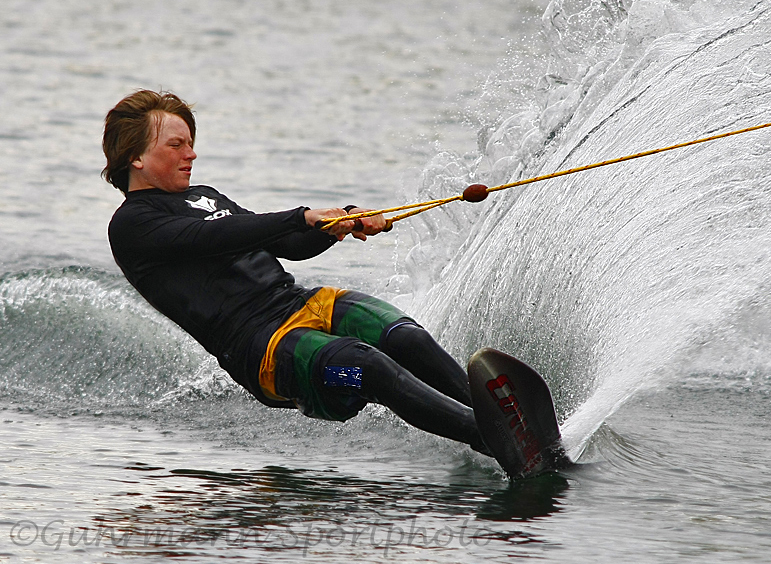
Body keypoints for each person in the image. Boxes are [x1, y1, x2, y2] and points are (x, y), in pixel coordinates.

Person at [102, 89, 490, 455]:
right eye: (177, 145)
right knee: (368, 367)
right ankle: (490, 437)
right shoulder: (132, 224)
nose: (192, 154)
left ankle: (502, 419)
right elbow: (214, 236)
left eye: (190, 142)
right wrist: (302, 216)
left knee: (406, 338)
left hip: (302, 304)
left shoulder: (204, 195)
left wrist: (343, 223)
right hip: (265, 350)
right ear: (135, 156)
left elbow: (286, 244)